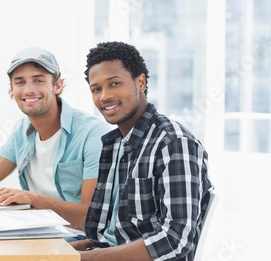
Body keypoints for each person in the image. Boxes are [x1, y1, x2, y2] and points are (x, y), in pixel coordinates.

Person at [71, 41, 214, 260]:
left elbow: (175, 240)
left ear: (140, 82)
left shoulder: (173, 143)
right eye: (96, 89)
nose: (104, 96)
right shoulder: (116, 143)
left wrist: (84, 258)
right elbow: (112, 236)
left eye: (114, 84)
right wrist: (59, 252)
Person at [0, 47, 111, 236]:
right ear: (12, 89)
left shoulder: (93, 134)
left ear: (57, 85)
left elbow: (91, 218)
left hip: (79, 242)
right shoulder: (21, 131)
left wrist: (33, 199)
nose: (29, 89)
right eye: (20, 82)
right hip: (37, 234)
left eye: (38, 80)